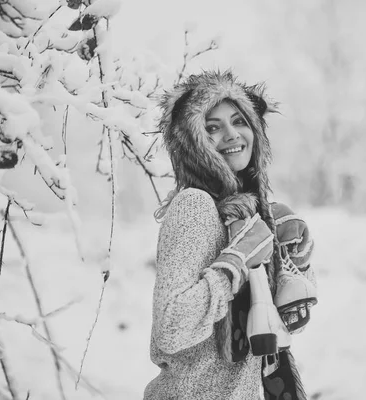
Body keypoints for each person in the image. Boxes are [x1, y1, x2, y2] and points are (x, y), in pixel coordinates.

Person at [144, 70, 317, 400]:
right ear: (193, 145)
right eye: (211, 127)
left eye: (239, 121)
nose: (231, 134)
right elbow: (170, 327)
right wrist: (234, 264)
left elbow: (282, 329)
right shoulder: (195, 206)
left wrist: (296, 261)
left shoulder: (254, 216)